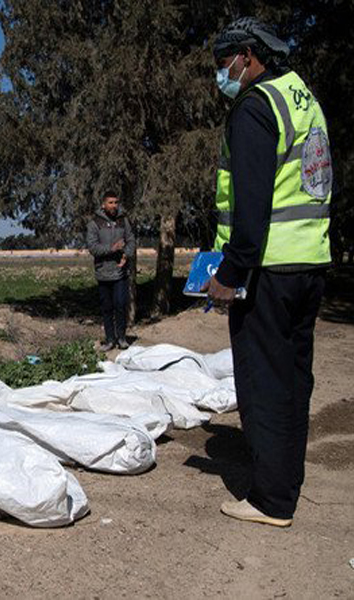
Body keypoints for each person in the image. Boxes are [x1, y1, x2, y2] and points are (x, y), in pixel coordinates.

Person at [203, 17, 332, 527]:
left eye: (224, 64)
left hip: (269, 269)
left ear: (250, 57)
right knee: (294, 378)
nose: (221, 75)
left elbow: (252, 205)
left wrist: (230, 274)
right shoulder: (302, 99)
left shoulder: (255, 108)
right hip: (308, 261)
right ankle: (286, 482)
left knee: (263, 381)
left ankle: (270, 500)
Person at [86, 192, 135, 351]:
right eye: (111, 202)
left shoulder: (123, 221)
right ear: (103, 204)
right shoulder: (94, 224)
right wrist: (111, 249)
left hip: (120, 272)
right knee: (107, 307)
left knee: (121, 304)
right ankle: (109, 340)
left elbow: (131, 240)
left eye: (116, 202)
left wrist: (126, 255)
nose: (114, 206)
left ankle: (121, 338)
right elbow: (93, 248)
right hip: (103, 272)